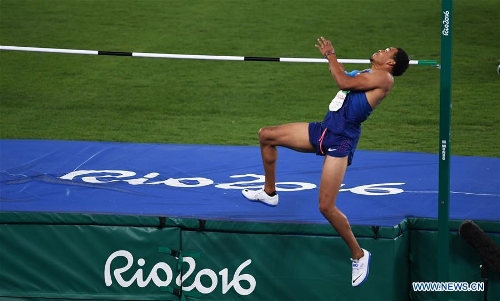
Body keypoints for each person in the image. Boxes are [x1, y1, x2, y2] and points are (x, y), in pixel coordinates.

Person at [242, 36, 410, 287]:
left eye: (387, 50)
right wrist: (336, 62)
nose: (381, 48)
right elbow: (346, 79)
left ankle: (359, 254)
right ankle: (269, 192)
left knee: (326, 206)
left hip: (340, 140)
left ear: (391, 63)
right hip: (324, 130)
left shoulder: (385, 79)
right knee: (266, 135)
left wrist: (330, 54)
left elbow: (343, 81)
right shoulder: (368, 72)